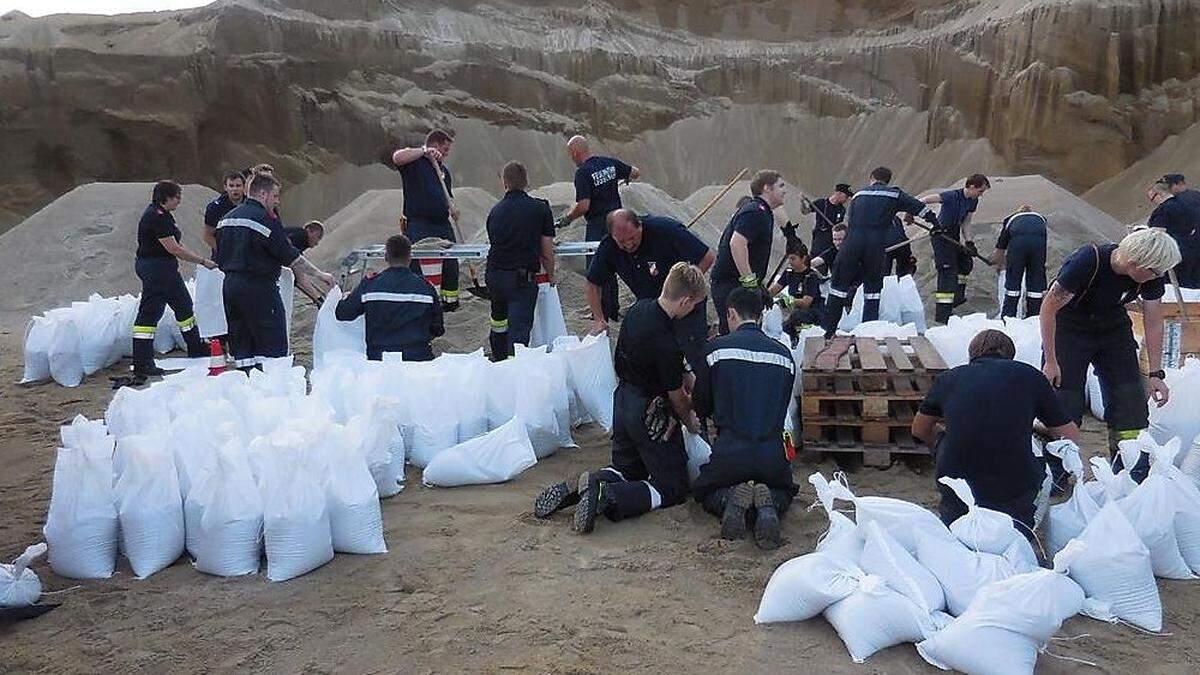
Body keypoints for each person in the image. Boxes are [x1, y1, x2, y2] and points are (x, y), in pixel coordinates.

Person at [531, 263, 707, 532]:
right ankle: (609, 497)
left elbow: (669, 366)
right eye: (694, 305)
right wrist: (690, 423)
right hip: (649, 410)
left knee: (628, 468)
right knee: (671, 487)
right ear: (685, 301)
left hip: (623, 400)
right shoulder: (665, 341)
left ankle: (587, 483)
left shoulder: (639, 310)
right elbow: (677, 395)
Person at [1040, 228, 1181, 482]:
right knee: (1065, 400)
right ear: (1134, 262)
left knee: (1129, 398)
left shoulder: (1150, 275)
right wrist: (1051, 360)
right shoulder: (1088, 261)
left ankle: (1129, 470)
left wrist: (1156, 373)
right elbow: (1048, 307)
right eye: (1154, 272)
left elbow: (1153, 321)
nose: (1157, 278)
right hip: (1069, 327)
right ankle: (1059, 473)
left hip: (1112, 326)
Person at [912, 330, 1081, 531]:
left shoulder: (948, 379)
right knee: (1035, 450)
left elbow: (919, 429)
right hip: (1013, 488)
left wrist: (941, 445)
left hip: (956, 485)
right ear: (1010, 356)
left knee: (946, 439)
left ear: (971, 356)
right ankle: (1027, 526)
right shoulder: (1030, 376)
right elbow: (1070, 436)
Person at [692, 287, 798, 549]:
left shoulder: (715, 350)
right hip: (772, 453)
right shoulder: (784, 356)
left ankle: (729, 500)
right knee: (786, 490)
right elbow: (783, 405)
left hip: (730, 452)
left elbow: (701, 405)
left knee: (704, 490)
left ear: (730, 314)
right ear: (760, 316)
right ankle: (769, 502)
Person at [216, 173, 335, 370]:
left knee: (242, 340)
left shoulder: (226, 219)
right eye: (275, 196)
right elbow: (291, 257)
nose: (277, 201)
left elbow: (219, 255)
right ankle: (273, 384)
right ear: (263, 194)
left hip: (230, 286)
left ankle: (247, 383)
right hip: (259, 288)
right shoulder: (265, 221)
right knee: (272, 340)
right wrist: (320, 275)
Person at [586, 208, 714, 368]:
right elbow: (592, 283)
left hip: (684, 304)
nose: (628, 244)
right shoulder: (609, 246)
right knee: (656, 355)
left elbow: (707, 256)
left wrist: (688, 286)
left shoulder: (665, 230)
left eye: (632, 238)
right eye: (621, 241)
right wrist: (599, 318)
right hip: (652, 308)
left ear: (640, 226)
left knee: (693, 351)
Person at [821, 167, 936, 337]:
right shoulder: (894, 194)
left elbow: (850, 220)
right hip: (875, 245)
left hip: (852, 243)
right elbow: (921, 209)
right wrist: (936, 224)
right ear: (888, 180)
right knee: (872, 291)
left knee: (838, 288)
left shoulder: (858, 195)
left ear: (871, 178)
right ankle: (868, 333)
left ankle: (828, 332)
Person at [132, 181, 217, 376]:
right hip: (156, 269)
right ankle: (142, 362)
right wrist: (202, 261)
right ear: (167, 198)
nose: (179, 201)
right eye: (177, 197)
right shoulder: (157, 217)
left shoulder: (163, 215)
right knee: (149, 314)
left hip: (165, 269)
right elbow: (174, 248)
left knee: (183, 305)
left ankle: (195, 346)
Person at [557, 136, 641, 322]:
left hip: (598, 224)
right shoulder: (609, 163)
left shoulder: (583, 173)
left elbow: (584, 205)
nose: (572, 159)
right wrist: (625, 177)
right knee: (615, 264)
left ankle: (601, 312)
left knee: (597, 269)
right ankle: (613, 309)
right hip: (618, 223)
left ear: (575, 153)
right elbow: (635, 172)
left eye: (571, 155)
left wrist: (568, 217)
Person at [483, 161, 556, 360]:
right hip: (521, 280)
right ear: (526, 182)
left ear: (504, 183)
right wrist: (551, 276)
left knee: (498, 323)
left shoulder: (495, 211)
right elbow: (547, 251)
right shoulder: (540, 209)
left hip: (495, 277)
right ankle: (514, 372)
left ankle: (497, 361)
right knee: (519, 331)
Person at [335, 234, 443, 361]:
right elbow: (438, 328)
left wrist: (356, 290)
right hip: (417, 357)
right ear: (410, 257)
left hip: (379, 359)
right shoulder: (425, 288)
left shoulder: (370, 285)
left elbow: (342, 313)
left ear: (386, 257)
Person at [710, 170, 790, 333]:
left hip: (737, 285)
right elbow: (737, 243)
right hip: (731, 286)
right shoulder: (755, 212)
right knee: (737, 335)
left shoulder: (763, 212)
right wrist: (750, 283)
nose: (785, 191)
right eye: (781, 186)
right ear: (767, 188)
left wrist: (758, 286)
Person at [392, 130, 461, 310]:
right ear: (435, 145)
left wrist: (452, 207)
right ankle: (421, 303)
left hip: (442, 225)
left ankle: (449, 303)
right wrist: (424, 151)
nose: (445, 154)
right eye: (444, 150)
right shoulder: (415, 163)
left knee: (451, 263)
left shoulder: (443, 171)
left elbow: (447, 197)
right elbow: (397, 157)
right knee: (419, 265)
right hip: (419, 225)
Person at [919, 174, 990, 323]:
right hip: (941, 235)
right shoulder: (952, 196)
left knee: (965, 263)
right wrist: (912, 213)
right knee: (947, 272)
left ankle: (957, 300)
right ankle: (943, 315)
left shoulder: (973, 200)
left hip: (954, 235)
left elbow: (966, 222)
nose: (981, 195)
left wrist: (969, 242)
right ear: (971, 187)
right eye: (980, 191)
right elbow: (925, 200)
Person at [993, 205, 1047, 318]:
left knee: (1013, 281)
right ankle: (1035, 316)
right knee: (1036, 283)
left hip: (1018, 247)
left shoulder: (1011, 219)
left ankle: (1008, 317)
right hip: (1038, 247)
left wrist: (999, 265)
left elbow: (1001, 247)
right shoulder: (1041, 218)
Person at [1148, 179, 1200, 288]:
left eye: (1152, 199)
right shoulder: (1189, 199)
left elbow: (1157, 238)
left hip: (1183, 258)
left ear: (1159, 194)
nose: (1154, 202)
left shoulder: (1162, 211)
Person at [768, 238, 825, 337]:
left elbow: (806, 303)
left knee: (796, 317)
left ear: (803, 258)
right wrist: (763, 296)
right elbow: (775, 289)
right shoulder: (788, 273)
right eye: (789, 259)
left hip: (812, 313)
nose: (790, 262)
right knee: (781, 331)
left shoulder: (811, 276)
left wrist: (786, 301)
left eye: (793, 259)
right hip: (796, 313)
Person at [801, 184, 852, 257]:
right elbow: (805, 211)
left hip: (831, 239)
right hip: (819, 236)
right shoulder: (821, 202)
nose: (846, 200)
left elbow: (838, 227)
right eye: (846, 197)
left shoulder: (841, 210)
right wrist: (802, 202)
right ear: (838, 193)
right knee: (815, 257)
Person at [203, 172, 245, 252]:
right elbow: (208, 235)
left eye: (238, 186)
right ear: (225, 187)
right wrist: (222, 252)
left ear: (244, 187)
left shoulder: (250, 205)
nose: (235, 189)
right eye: (231, 186)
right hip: (224, 251)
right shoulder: (215, 208)